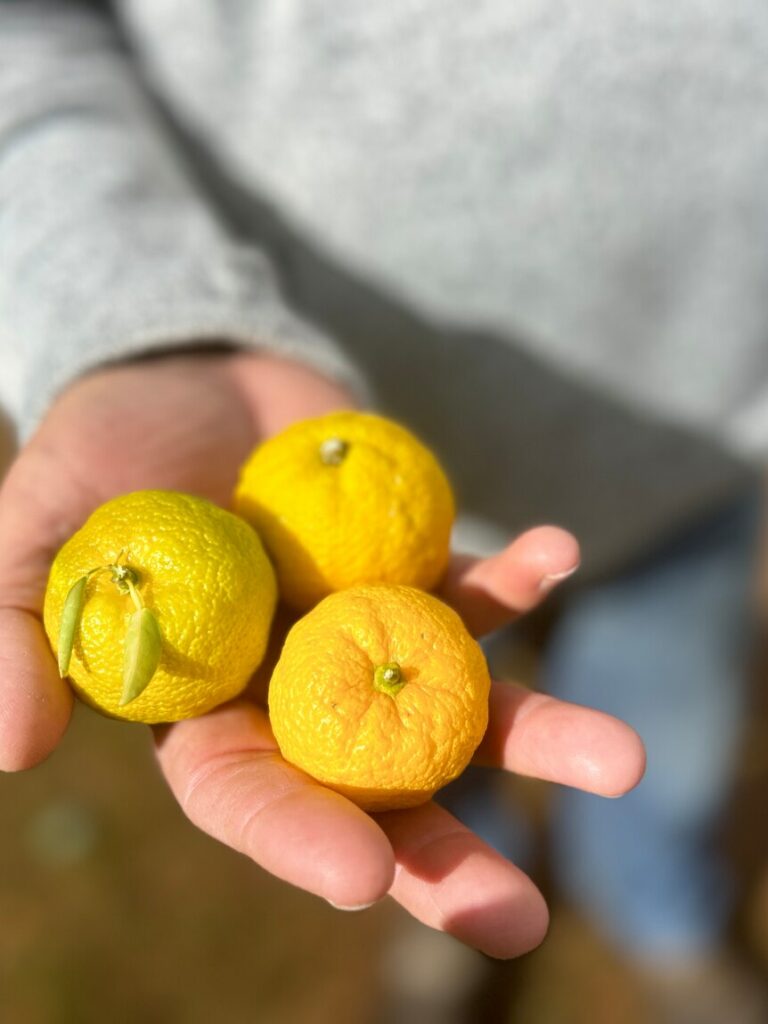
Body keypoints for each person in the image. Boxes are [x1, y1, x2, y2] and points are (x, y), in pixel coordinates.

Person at [0, 0, 764, 1012]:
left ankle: (665, 915)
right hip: (346, 460)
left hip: (694, 449)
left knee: (667, 739)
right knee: (430, 758)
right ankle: (473, 895)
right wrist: (141, 321)